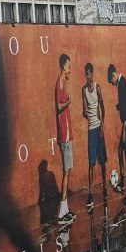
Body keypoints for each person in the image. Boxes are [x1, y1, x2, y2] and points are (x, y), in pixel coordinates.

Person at [106, 63, 126, 202]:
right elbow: (125, 103)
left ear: (113, 75)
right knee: (120, 152)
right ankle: (124, 185)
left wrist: (124, 127)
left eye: (112, 82)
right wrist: (119, 106)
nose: (113, 84)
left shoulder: (122, 83)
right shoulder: (122, 82)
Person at [81, 62, 107, 210]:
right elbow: (84, 110)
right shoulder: (83, 90)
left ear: (92, 74)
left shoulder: (97, 87)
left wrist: (102, 127)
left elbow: (103, 109)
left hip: (99, 129)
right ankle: (91, 194)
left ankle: (104, 189)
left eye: (88, 73)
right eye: (85, 74)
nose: (87, 76)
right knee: (91, 163)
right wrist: (86, 114)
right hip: (91, 129)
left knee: (102, 162)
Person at [54, 54, 74, 222]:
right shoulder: (59, 84)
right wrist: (68, 101)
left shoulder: (63, 83)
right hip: (64, 135)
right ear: (63, 66)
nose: (70, 69)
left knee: (69, 170)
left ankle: (66, 210)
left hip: (67, 134)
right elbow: (59, 106)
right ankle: (62, 213)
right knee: (66, 171)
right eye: (68, 66)